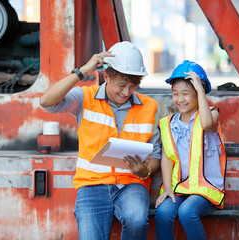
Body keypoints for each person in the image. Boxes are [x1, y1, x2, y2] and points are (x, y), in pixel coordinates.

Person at [40, 41, 161, 240]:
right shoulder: (84, 97)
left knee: (137, 218)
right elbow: (46, 102)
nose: (126, 92)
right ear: (106, 76)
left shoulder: (149, 106)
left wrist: (145, 170)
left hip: (131, 184)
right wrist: (82, 72)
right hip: (91, 184)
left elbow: (155, 152)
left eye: (133, 86)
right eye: (121, 85)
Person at [154, 60, 226, 240]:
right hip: (180, 188)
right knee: (162, 213)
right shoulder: (169, 123)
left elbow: (208, 123)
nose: (180, 99)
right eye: (175, 94)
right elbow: (166, 158)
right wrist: (168, 189)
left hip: (205, 189)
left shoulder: (211, 114)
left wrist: (201, 90)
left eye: (186, 93)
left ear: (198, 92)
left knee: (187, 212)